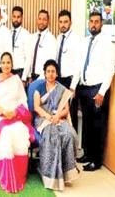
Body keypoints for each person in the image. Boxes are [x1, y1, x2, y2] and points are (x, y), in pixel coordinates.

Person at [71, 11, 115, 171]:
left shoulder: (106, 43)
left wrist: (102, 92)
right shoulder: (84, 42)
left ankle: (97, 160)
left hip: (97, 89)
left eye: (97, 22)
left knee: (98, 126)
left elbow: (110, 70)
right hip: (84, 88)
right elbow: (78, 66)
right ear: (88, 23)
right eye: (91, 21)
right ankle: (88, 154)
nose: (94, 24)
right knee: (88, 124)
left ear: (101, 24)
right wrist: (73, 86)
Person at [0, 52, 35, 193]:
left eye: (8, 62)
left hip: (16, 115)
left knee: (19, 131)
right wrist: (4, 111)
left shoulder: (17, 80)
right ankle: (6, 173)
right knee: (7, 133)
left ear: (12, 64)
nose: (6, 65)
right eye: (3, 62)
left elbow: (23, 102)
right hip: (0, 116)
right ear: (0, 64)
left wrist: (15, 113)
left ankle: (18, 173)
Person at [33, 60, 80, 190]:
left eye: (53, 71)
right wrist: (49, 117)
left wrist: (57, 116)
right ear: (44, 73)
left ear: (57, 73)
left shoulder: (62, 89)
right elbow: (37, 107)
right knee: (52, 136)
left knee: (68, 135)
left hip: (58, 118)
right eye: (48, 71)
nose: (51, 74)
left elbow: (66, 109)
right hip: (43, 119)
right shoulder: (39, 88)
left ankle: (66, 173)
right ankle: (50, 175)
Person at [55, 9, 82, 130]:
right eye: (60, 22)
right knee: (59, 112)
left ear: (70, 22)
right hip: (59, 80)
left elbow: (78, 64)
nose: (63, 24)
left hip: (69, 82)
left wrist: (73, 86)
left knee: (71, 114)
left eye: (65, 22)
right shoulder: (59, 38)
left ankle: (73, 145)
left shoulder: (76, 39)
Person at [25, 10, 57, 83]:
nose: (41, 22)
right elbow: (29, 59)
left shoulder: (52, 40)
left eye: (44, 19)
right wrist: (29, 76)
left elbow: (50, 64)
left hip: (43, 79)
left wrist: (39, 80)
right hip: (31, 79)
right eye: (40, 19)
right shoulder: (32, 37)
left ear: (48, 21)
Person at [10, 6, 30, 81]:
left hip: (20, 73)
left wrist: (24, 77)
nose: (16, 19)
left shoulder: (26, 34)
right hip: (9, 73)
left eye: (18, 17)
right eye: (14, 16)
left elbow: (28, 58)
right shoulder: (8, 33)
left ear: (22, 18)